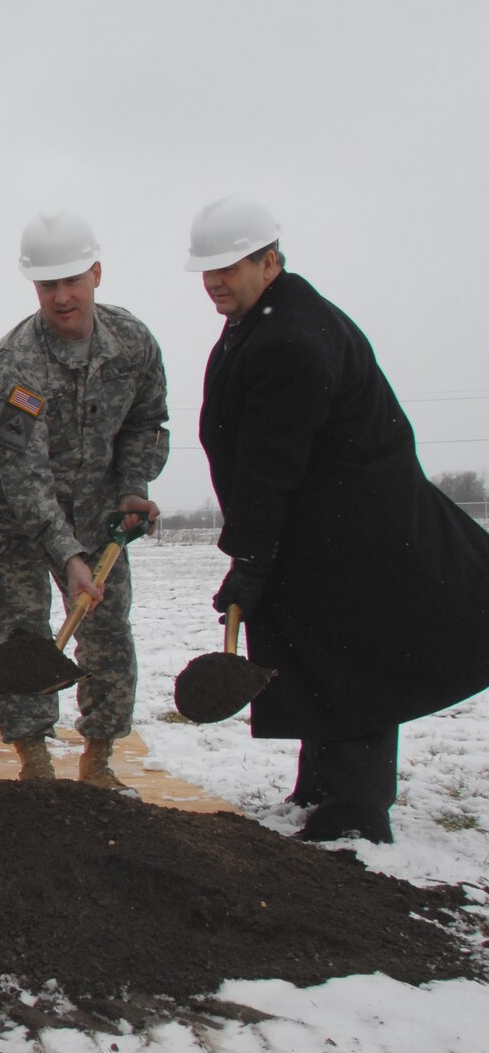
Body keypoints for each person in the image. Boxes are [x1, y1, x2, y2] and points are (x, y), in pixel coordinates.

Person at [192, 193, 489, 843]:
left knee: (357, 658)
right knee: (321, 653)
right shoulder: (268, 317)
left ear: (270, 261)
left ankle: (357, 808)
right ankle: (321, 784)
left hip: (356, 533)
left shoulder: (292, 338)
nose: (215, 281)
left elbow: (274, 465)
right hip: (324, 530)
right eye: (207, 269)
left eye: (230, 266)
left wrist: (249, 558)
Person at [0, 212, 168, 791]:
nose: (62, 297)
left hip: (98, 513)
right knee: (22, 628)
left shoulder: (132, 343)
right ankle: (34, 763)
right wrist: (67, 555)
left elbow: (147, 422)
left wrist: (135, 487)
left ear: (96, 273)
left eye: (72, 281)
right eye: (47, 285)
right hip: (14, 518)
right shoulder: (14, 365)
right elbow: (23, 475)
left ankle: (100, 761)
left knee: (107, 628)